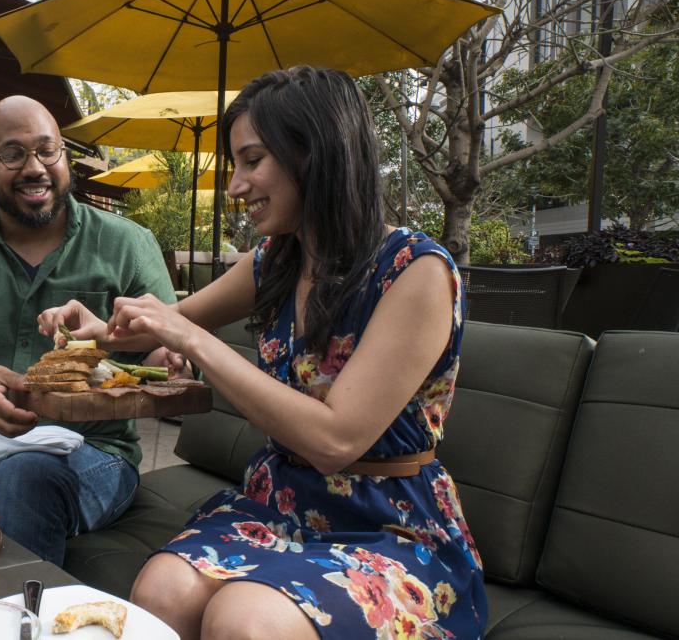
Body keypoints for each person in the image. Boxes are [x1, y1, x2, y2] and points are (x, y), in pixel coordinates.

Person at [38, 67, 485, 639]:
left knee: (245, 621)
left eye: (252, 161)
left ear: (315, 154)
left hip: (390, 526)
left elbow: (334, 440)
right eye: (235, 165)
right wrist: (94, 331)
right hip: (280, 504)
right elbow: (165, 326)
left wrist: (192, 341)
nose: (235, 186)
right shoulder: (275, 260)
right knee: (158, 591)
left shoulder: (416, 271)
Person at [0, 95, 177, 565]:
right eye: (13, 154)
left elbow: (161, 344)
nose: (34, 167)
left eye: (47, 150)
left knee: (21, 477)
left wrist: (166, 362)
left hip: (98, 449)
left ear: (64, 155)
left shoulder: (128, 244)